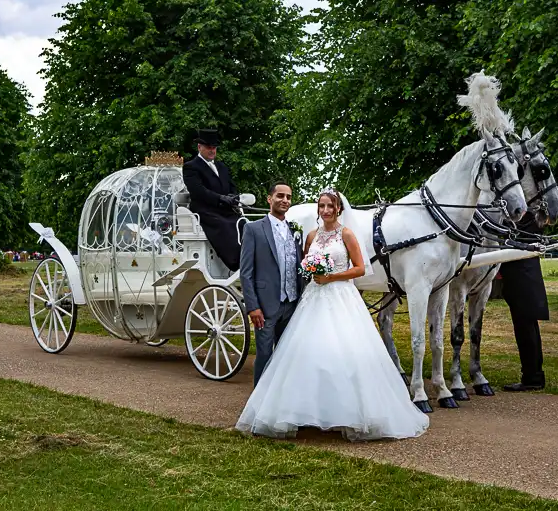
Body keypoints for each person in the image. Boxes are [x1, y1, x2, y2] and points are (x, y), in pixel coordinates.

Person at [236, 188, 429, 442]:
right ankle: (302, 411)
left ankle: (348, 413)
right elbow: (302, 265)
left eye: (330, 206)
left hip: (341, 297)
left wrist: (332, 277)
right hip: (313, 299)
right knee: (306, 356)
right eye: (322, 205)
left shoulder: (346, 234)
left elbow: (360, 268)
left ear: (338, 209)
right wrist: (312, 274)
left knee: (344, 354)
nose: (326, 210)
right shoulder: (311, 236)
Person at [239, 181, 303, 387]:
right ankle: (258, 403)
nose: (285, 200)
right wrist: (253, 307)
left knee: (287, 357)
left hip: (291, 304)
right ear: (270, 199)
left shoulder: (295, 231)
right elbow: (246, 273)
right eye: (280, 196)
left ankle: (280, 402)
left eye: (288, 197)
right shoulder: (253, 229)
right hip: (265, 307)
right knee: (265, 355)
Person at [499, 211, 549, 391]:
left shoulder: (526, 221)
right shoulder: (533, 220)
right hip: (525, 277)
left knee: (525, 328)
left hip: (522, 278)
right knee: (528, 327)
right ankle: (533, 376)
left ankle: (532, 378)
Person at [182, 128, 243, 271]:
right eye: (209, 147)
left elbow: (232, 187)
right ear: (199, 147)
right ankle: (235, 262)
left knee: (243, 224)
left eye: (214, 147)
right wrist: (220, 198)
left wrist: (233, 197)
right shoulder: (191, 167)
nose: (212, 150)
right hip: (206, 210)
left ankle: (247, 257)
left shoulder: (222, 167)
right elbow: (199, 192)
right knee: (225, 226)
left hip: (225, 209)